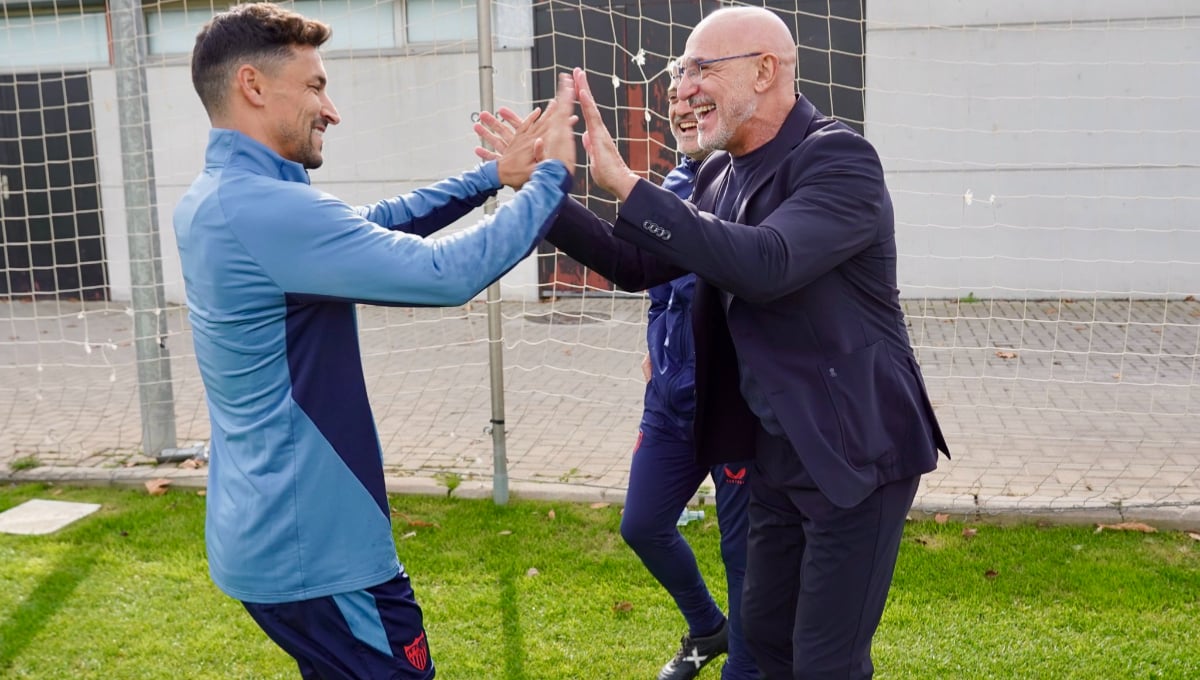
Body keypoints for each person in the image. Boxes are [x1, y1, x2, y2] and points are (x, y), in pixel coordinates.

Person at [478, 7, 949, 679]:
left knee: (825, 663)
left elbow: (768, 263)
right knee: (760, 646)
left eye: (702, 67)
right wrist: (544, 193)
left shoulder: (839, 158)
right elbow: (635, 264)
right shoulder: (717, 176)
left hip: (855, 453)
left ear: (765, 71)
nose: (684, 84)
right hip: (773, 455)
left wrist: (627, 184)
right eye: (680, 69)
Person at [174, 4, 577, 678]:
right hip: (319, 552)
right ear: (252, 85)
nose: (331, 109)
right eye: (314, 86)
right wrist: (551, 181)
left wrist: (490, 178)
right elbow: (444, 275)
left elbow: (370, 225)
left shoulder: (225, 195)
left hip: (271, 536)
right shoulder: (260, 208)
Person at [621, 81, 755, 680]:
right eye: (675, 102)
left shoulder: (748, 187)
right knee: (643, 525)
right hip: (669, 405)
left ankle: (746, 667)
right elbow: (656, 290)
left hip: (732, 409)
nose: (683, 110)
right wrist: (656, 347)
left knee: (745, 559)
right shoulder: (668, 187)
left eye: (699, 104)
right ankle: (708, 627)